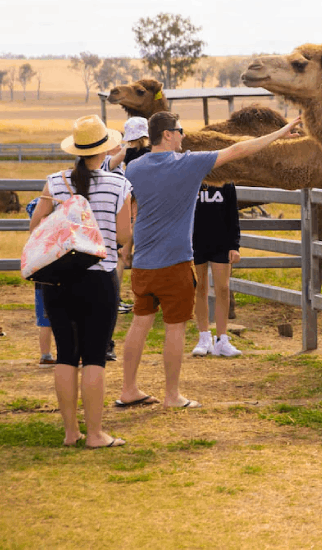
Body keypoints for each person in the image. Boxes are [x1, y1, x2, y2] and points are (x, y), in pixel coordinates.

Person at [115, 111, 300, 410]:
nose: (183, 135)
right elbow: (239, 150)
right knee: (175, 329)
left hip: (143, 263)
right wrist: (280, 134)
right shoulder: (189, 163)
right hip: (174, 263)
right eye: (180, 130)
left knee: (140, 325)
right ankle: (172, 395)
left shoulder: (134, 167)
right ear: (167, 135)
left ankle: (128, 389)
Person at [31, 115, 133, 447]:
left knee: (65, 355)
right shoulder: (120, 185)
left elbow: (36, 226)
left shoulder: (54, 182)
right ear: (105, 149)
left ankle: (70, 432)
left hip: (58, 282)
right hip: (99, 281)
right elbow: (123, 236)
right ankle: (95, 434)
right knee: (93, 357)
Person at [189, 181, 242, 357]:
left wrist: (234, 246)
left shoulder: (226, 183)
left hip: (222, 243)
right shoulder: (191, 177)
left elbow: (233, 214)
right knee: (200, 287)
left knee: (223, 288)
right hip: (195, 243)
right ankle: (204, 337)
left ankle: (222, 339)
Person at [106, 116, 150, 315]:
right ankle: (144, 298)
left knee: (123, 255)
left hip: (128, 206)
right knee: (141, 254)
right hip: (147, 208)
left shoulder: (127, 154)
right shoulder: (152, 152)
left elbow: (109, 166)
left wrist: (126, 148)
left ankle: (114, 297)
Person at [26, 196, 55, 367]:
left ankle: (45, 354)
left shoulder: (35, 240)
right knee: (66, 319)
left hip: (41, 283)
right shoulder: (59, 236)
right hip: (58, 282)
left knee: (45, 322)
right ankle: (73, 352)